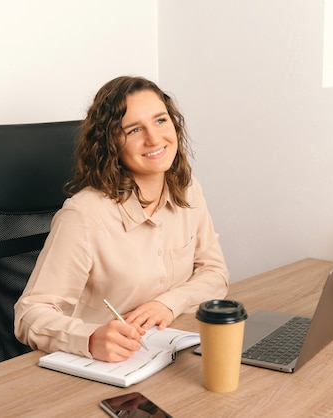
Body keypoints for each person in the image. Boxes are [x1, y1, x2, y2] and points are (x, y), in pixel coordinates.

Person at [14, 76, 229, 362]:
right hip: (100, 367)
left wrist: (167, 304)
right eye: (134, 129)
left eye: (161, 121)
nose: (154, 138)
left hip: (166, 352)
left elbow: (215, 273)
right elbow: (29, 315)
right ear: (110, 143)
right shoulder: (84, 215)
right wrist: (89, 339)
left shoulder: (188, 190)